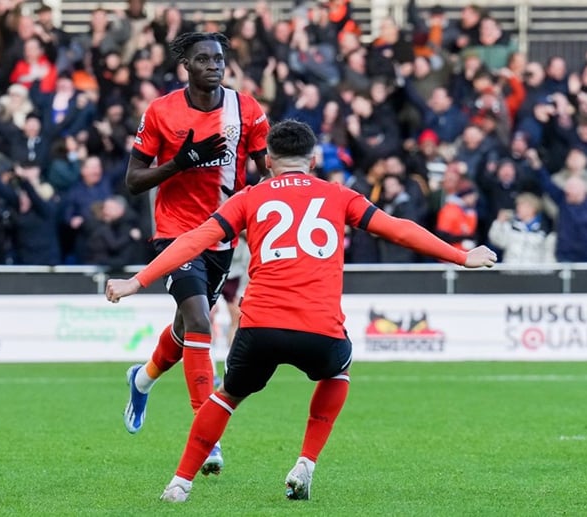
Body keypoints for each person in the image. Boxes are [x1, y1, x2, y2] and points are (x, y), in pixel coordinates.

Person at [106, 120, 497, 502]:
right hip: (320, 330)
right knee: (339, 371)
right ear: (313, 161)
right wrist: (461, 256)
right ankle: (305, 463)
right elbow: (396, 228)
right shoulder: (339, 195)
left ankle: (179, 484)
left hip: (260, 327)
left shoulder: (249, 197)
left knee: (226, 396)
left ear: (268, 161)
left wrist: (135, 283)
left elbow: (193, 240)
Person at [121, 31, 269, 477]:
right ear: (185, 64)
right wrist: (178, 164)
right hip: (175, 233)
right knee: (201, 321)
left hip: (222, 235)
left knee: (188, 329)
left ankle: (142, 378)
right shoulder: (161, 111)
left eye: (219, 58)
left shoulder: (247, 110)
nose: (213, 65)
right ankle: (210, 437)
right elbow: (133, 181)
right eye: (203, 58)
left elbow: (266, 172)